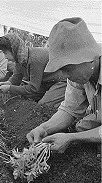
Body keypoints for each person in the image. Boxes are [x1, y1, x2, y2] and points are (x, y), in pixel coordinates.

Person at [26, 17, 101, 153]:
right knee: (82, 128)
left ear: (88, 57)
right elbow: (69, 110)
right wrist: (44, 128)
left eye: (68, 69)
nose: (65, 75)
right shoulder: (78, 74)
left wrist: (72, 138)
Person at [0, 33, 67, 108]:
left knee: (43, 105)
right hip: (45, 82)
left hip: (60, 81)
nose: (5, 57)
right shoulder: (20, 59)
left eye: (6, 53)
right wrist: (7, 83)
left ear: (14, 50)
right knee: (22, 96)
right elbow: (16, 79)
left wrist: (9, 88)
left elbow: (33, 88)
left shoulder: (34, 59)